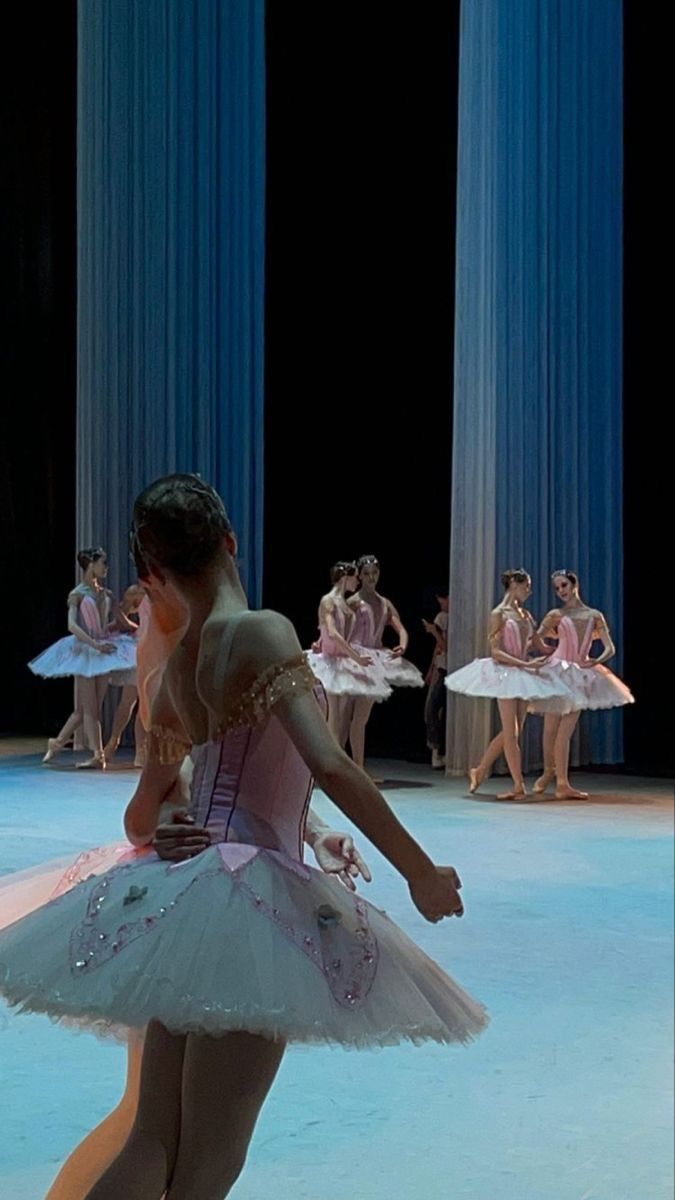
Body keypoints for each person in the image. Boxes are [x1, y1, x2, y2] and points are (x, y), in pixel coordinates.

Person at [0, 474, 486, 1200]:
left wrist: (271, 829)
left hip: (184, 897)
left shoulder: (171, 673)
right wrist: (421, 872)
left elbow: (151, 813)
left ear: (153, 573)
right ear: (230, 541)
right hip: (252, 900)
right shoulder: (259, 630)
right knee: (210, 1160)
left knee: (151, 1136)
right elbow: (329, 762)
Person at [445, 570, 567, 800]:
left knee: (514, 731)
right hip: (504, 673)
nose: (529, 590)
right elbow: (496, 652)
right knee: (511, 732)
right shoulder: (498, 614)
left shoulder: (526, 615)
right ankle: (518, 784)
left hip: (522, 672)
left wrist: (563, 649)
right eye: (526, 586)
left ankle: (480, 770)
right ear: (513, 584)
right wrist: (524, 664)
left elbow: (538, 646)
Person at [531, 570, 634, 800]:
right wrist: (543, 647)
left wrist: (596, 660)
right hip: (557, 669)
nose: (561, 591)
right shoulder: (555, 614)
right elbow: (537, 640)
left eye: (564, 585)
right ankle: (550, 773)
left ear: (575, 583)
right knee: (549, 728)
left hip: (579, 673)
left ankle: (561, 783)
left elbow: (610, 647)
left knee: (564, 732)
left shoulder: (594, 615)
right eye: (557, 588)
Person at [30, 548, 136, 769]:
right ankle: (98, 755)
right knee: (91, 710)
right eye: (103, 563)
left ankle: (56, 743)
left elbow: (123, 621)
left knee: (85, 709)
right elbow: (72, 625)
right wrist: (94, 644)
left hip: (104, 652)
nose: (106, 567)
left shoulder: (107, 594)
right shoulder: (78, 593)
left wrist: (145, 631)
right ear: (91, 565)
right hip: (86, 651)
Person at [423, 587, 449, 768]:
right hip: (441, 667)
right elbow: (438, 648)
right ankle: (436, 751)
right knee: (432, 710)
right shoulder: (442, 617)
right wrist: (431, 669)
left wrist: (433, 630)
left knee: (433, 709)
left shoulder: (444, 618)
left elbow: (444, 645)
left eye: (443, 601)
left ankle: (438, 752)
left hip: (447, 668)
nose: (442, 605)